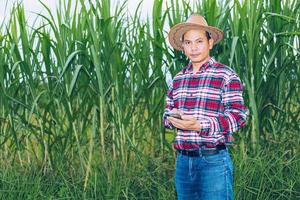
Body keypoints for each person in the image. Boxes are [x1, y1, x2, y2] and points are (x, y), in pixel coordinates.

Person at [163, 14, 248, 200]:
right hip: (183, 162)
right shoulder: (178, 79)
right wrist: (173, 118)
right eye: (188, 43)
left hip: (213, 161)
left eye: (199, 41)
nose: (193, 48)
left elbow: (238, 116)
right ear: (183, 47)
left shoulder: (226, 75)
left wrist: (201, 125)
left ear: (210, 43)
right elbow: (167, 113)